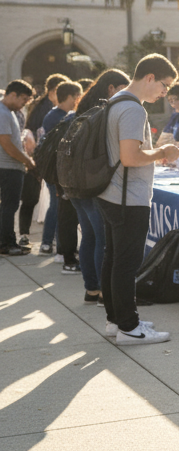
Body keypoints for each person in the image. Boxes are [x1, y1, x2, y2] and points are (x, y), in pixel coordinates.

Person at [99, 54, 179, 345]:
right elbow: (130, 157)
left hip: (111, 193)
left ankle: (116, 320)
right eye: (164, 85)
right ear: (149, 77)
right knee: (125, 263)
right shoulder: (133, 109)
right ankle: (129, 327)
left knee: (114, 258)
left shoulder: (115, 101)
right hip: (128, 197)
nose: (165, 92)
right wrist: (164, 152)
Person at [70, 69, 131, 303]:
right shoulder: (105, 110)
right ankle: (105, 292)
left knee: (89, 236)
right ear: (111, 88)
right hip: (93, 182)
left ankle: (92, 289)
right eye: (123, 89)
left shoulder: (84, 107)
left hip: (76, 181)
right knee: (103, 240)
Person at [18, 73, 69, 248]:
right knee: (52, 201)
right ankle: (48, 241)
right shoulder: (51, 111)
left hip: (37, 158)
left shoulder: (39, 105)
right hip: (42, 159)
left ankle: (29, 235)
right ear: (55, 90)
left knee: (32, 199)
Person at [38, 81, 83, 272]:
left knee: (62, 211)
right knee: (61, 211)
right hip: (59, 171)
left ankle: (60, 249)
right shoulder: (58, 117)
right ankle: (59, 250)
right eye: (77, 97)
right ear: (72, 97)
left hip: (58, 170)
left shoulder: (60, 116)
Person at [0, 81, 37, 256]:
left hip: (10, 166)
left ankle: (8, 241)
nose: (24, 104)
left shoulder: (9, 113)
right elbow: (6, 144)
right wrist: (27, 160)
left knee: (8, 206)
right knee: (9, 206)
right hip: (8, 167)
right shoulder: (3, 113)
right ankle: (6, 244)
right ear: (12, 94)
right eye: (23, 99)